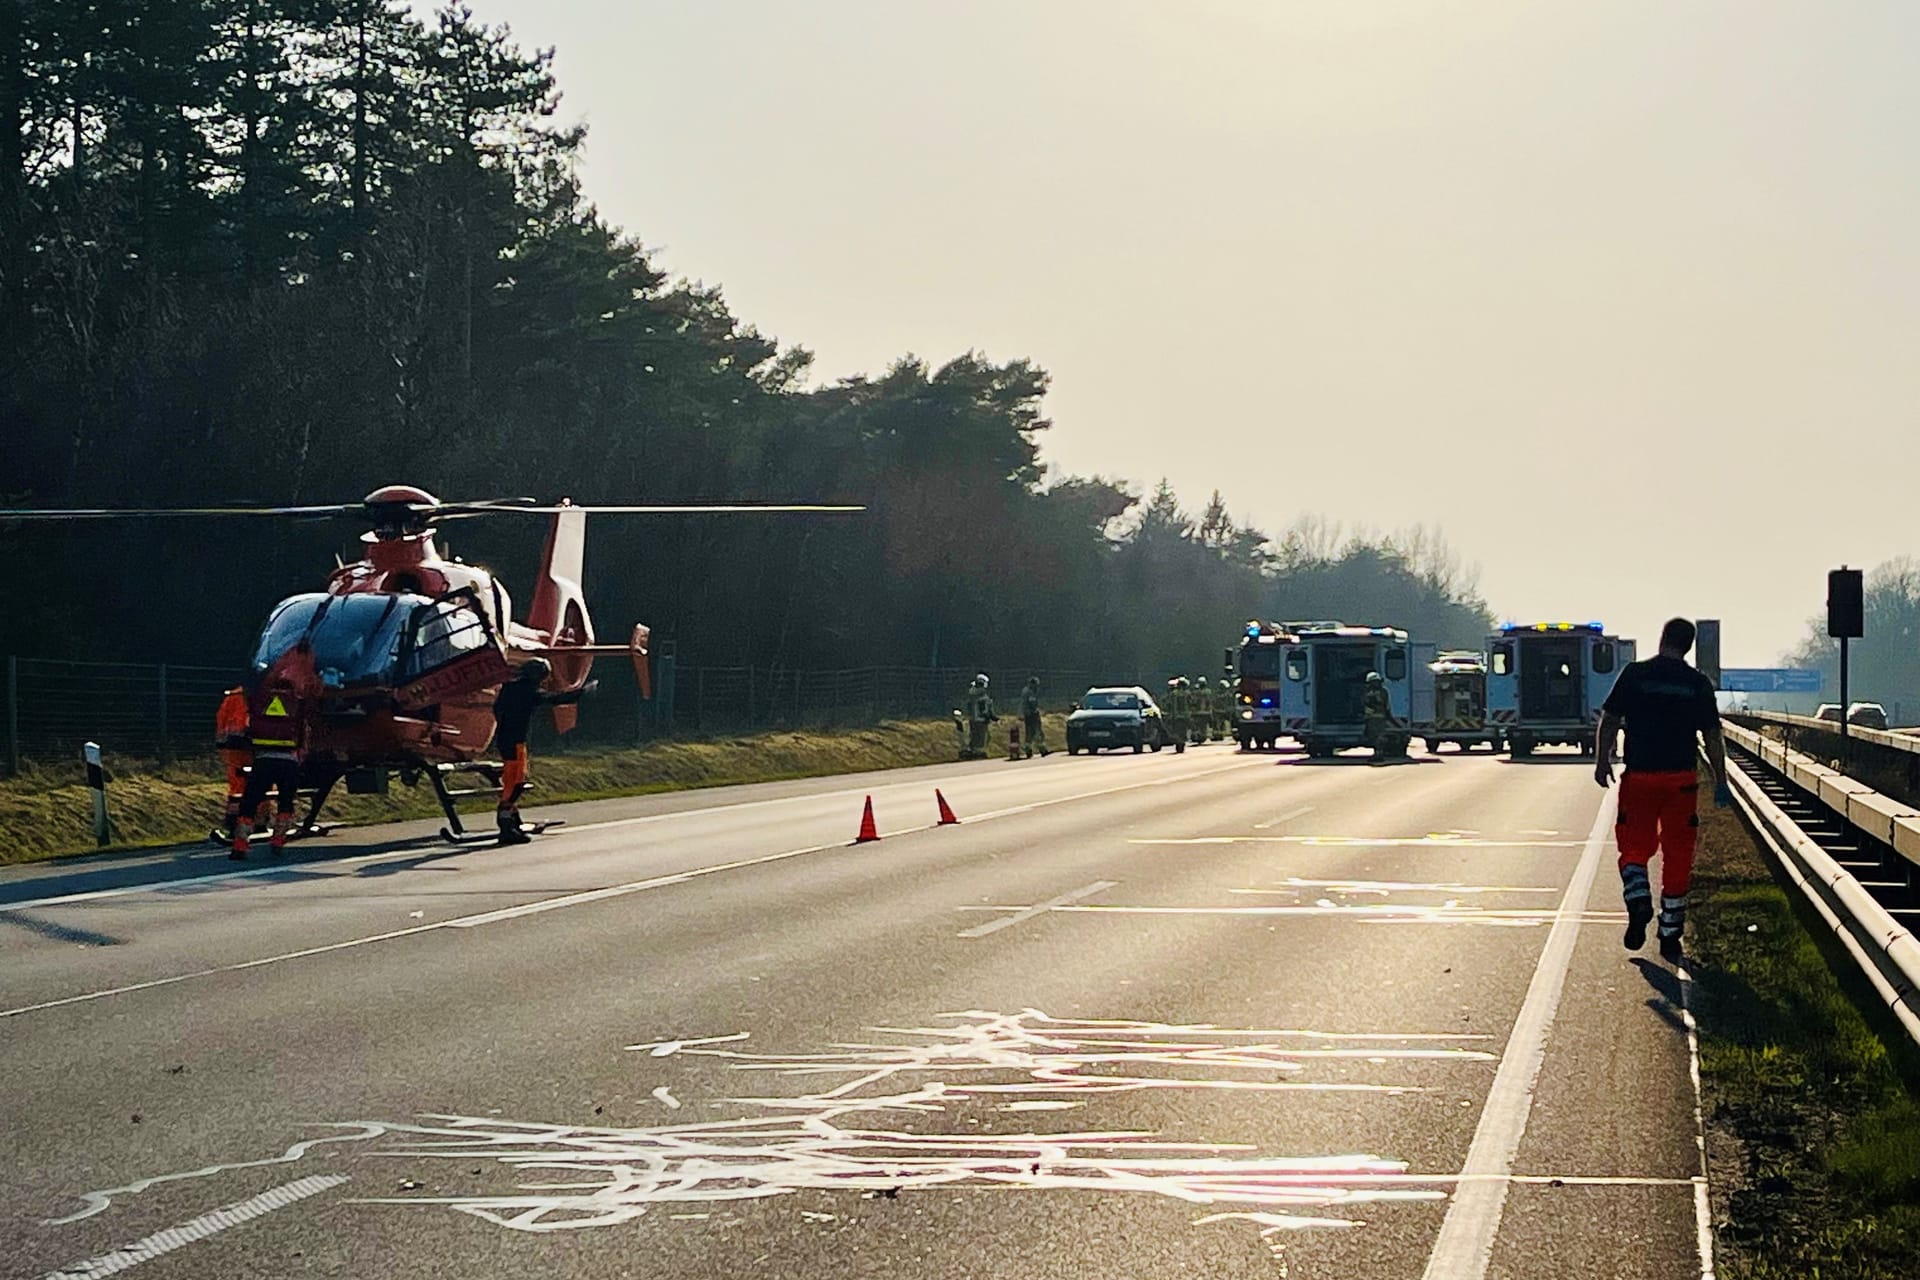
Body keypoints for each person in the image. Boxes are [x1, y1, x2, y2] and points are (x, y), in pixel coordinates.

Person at [1595, 617, 1730, 963]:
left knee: (1633, 847)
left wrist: (1602, 760)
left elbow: (1610, 719)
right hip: (1681, 782)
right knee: (1678, 855)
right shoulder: (1697, 684)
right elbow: (1713, 737)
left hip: (1640, 778)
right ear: (1688, 646)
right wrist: (1721, 780)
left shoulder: (1635, 676)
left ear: (1662, 639)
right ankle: (1670, 935)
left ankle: (1639, 901)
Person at [230, 643, 319, 860]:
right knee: (286, 802)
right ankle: (278, 841)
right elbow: (308, 722)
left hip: (263, 760)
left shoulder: (261, 699)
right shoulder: (297, 704)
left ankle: (240, 845)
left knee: (249, 803)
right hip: (288, 762)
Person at [491, 658, 594, 843]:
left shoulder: (509, 688)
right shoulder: (529, 692)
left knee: (511, 780)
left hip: (504, 739)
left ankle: (512, 822)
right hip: (516, 741)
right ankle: (505, 827)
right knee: (515, 783)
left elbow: (496, 709)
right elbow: (556, 699)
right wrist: (582, 693)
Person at [215, 684, 263, 840]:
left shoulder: (233, 697)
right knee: (259, 784)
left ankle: (236, 822)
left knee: (239, 785)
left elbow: (221, 722)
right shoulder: (263, 695)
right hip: (251, 747)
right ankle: (254, 821)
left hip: (236, 748)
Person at [959, 674, 996, 760]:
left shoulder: (972, 694)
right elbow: (985, 709)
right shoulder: (982, 696)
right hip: (981, 719)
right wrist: (990, 716)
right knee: (981, 737)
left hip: (973, 719)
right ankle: (977, 752)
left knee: (974, 735)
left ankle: (973, 750)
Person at [1362, 671, 1394, 753]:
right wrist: (1389, 716)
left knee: (1374, 736)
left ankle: (1378, 753)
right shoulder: (1384, 691)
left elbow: (1365, 703)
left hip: (1372, 718)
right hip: (1381, 718)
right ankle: (1379, 752)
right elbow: (1387, 705)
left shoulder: (1368, 693)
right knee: (1379, 736)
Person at [1020, 676, 1049, 759]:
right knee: (1038, 732)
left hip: (1027, 714)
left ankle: (1028, 749)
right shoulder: (1030, 692)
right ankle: (1042, 750)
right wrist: (1036, 710)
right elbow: (1032, 702)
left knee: (1029, 733)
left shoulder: (1025, 691)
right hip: (1032, 714)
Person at [1164, 677, 1188, 753]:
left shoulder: (1174, 694)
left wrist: (1173, 715)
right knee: (1183, 731)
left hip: (1177, 716)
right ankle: (1181, 742)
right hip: (1184, 716)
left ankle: (1179, 742)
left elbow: (1172, 705)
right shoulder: (1187, 693)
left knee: (1177, 730)